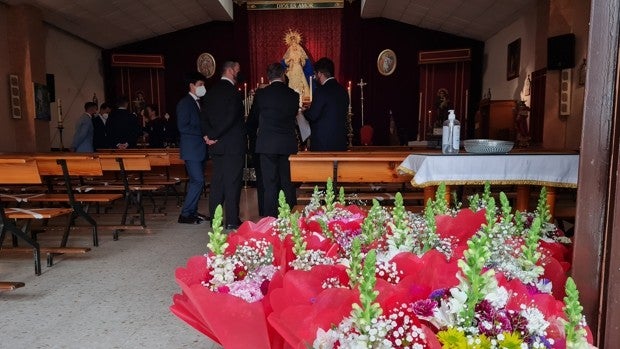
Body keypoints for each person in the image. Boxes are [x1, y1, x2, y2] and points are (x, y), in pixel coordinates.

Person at [247, 63, 299, 217]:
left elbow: (252, 120)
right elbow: (293, 118)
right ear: (283, 75)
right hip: (287, 144)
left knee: (269, 183)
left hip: (267, 144)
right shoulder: (293, 95)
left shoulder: (261, 95)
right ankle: (290, 216)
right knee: (287, 182)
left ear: (269, 77)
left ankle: (270, 218)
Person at [201, 61, 246, 229]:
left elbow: (203, 116)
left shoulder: (210, 91)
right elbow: (231, 117)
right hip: (232, 145)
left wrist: (208, 135)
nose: (239, 72)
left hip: (216, 145)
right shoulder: (233, 92)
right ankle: (232, 220)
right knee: (232, 182)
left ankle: (216, 220)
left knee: (217, 182)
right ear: (229, 70)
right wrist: (213, 135)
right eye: (237, 69)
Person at [176, 72, 210, 224]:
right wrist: (203, 134)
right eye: (200, 85)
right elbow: (183, 127)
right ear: (192, 86)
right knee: (198, 181)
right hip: (191, 149)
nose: (203, 88)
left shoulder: (199, 102)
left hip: (199, 149)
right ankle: (185, 214)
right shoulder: (185, 103)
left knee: (197, 181)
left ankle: (193, 212)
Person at [303, 57, 349, 151]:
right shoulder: (343, 91)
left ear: (320, 74)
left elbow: (312, 115)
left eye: (315, 74)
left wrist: (304, 112)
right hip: (340, 143)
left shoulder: (321, 91)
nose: (315, 77)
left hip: (323, 144)